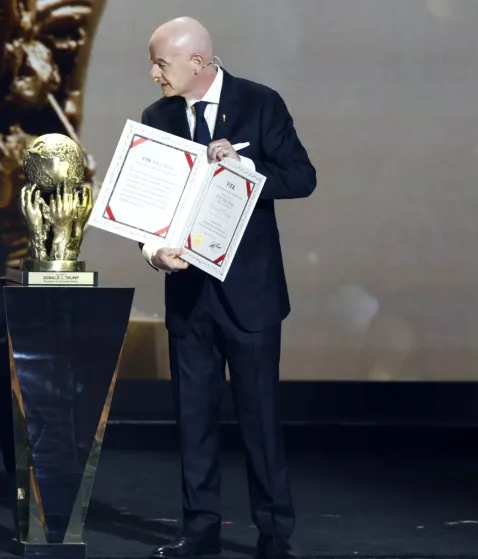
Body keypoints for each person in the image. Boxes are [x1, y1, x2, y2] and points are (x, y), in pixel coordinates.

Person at [139, 17, 316, 559]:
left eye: (161, 64)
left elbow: (302, 177)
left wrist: (246, 168)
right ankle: (200, 529)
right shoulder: (158, 117)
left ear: (198, 62)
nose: (153, 75)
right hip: (189, 296)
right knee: (193, 420)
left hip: (251, 296)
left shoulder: (260, 104)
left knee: (260, 417)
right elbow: (149, 206)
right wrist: (153, 251)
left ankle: (273, 531)